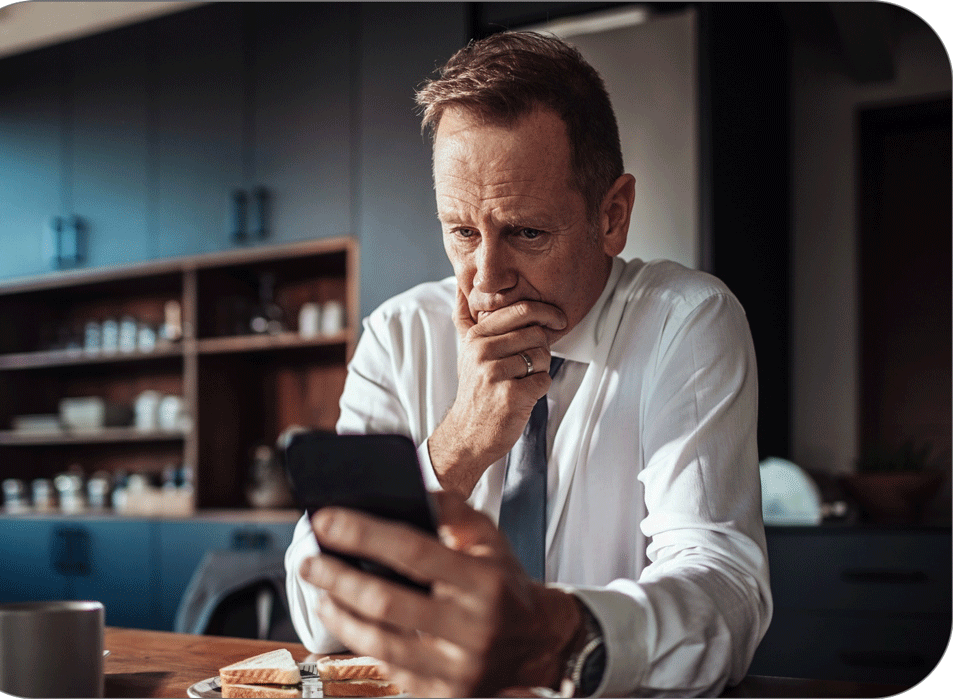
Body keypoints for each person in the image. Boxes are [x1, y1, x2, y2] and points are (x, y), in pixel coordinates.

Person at [285, 31, 772, 697]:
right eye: (462, 232)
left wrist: (559, 640)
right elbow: (320, 612)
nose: (486, 280)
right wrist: (461, 440)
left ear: (613, 215)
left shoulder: (684, 322)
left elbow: (725, 589)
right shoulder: (398, 336)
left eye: (526, 232)